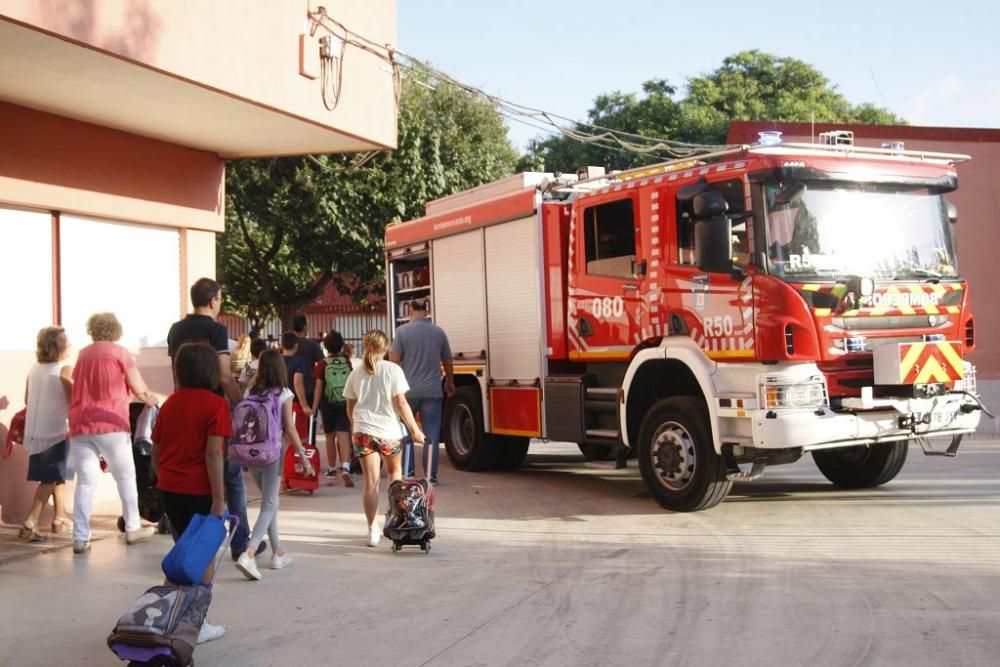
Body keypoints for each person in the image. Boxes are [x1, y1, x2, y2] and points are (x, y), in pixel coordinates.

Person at [166, 277, 255, 561]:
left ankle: (185, 543)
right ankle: (240, 543)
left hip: (181, 403)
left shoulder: (176, 329)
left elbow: (175, 369)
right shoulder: (216, 330)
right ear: (214, 300)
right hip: (213, 407)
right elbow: (224, 375)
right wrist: (243, 405)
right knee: (231, 476)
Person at [150, 342, 228, 643]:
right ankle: (198, 621)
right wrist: (219, 499)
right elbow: (213, 455)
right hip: (200, 491)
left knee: (183, 552)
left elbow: (156, 451)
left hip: (170, 488)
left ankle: (164, 612)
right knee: (201, 556)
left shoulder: (170, 403)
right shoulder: (215, 405)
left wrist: (166, 476)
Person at [69, 313, 157, 554]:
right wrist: (152, 399)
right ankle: (132, 527)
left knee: (86, 482)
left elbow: (79, 381)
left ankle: (80, 538)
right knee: (126, 476)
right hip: (111, 423)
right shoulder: (121, 353)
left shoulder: (83, 354)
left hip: (80, 424)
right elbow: (139, 388)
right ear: (116, 330)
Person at [234, 349, 313, 580]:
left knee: (271, 502)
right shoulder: (284, 393)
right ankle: (248, 553)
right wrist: (304, 457)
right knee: (269, 503)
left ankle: (277, 552)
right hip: (272, 454)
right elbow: (289, 428)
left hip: (250, 453)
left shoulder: (250, 390)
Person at [343, 330, 425, 547]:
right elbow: (401, 403)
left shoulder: (355, 374)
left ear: (364, 345)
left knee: (370, 483)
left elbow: (349, 408)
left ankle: (372, 530)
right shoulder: (393, 370)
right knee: (395, 478)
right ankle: (397, 520)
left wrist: (357, 426)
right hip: (389, 433)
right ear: (386, 348)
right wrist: (415, 430)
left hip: (363, 432)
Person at [389, 299, 455, 485]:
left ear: (410, 310)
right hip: (433, 392)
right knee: (431, 436)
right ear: (427, 311)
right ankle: (430, 477)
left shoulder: (402, 332)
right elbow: (448, 361)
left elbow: (393, 362)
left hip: (407, 393)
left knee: (407, 434)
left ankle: (408, 474)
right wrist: (450, 381)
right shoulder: (438, 332)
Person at [20, 326, 74, 542]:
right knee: (50, 478)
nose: (69, 344)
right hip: (57, 430)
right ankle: (30, 522)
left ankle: (59, 518)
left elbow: (26, 399)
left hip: (36, 431)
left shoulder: (34, 368)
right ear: (55, 346)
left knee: (57, 475)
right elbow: (74, 400)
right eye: (65, 341)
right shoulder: (64, 369)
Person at [310, 330, 355, 485]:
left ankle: (331, 468)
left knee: (330, 435)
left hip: (327, 403)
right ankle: (346, 466)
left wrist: (314, 408)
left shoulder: (322, 365)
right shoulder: (347, 361)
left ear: (326, 346)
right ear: (342, 345)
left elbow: (318, 388)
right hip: (344, 402)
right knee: (343, 432)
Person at [292, 314, 324, 445]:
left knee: (292, 425)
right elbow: (322, 363)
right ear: (305, 327)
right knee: (310, 423)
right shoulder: (312, 345)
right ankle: (310, 449)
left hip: (290, 389)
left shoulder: (288, 343)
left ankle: (293, 455)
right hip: (309, 388)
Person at [280, 331, 312, 441]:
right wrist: (304, 405)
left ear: (282, 345)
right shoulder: (299, 361)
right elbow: (297, 383)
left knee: (283, 438)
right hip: (294, 403)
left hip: (277, 403)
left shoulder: (277, 360)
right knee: (300, 438)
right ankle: (298, 458)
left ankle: (285, 458)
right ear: (296, 345)